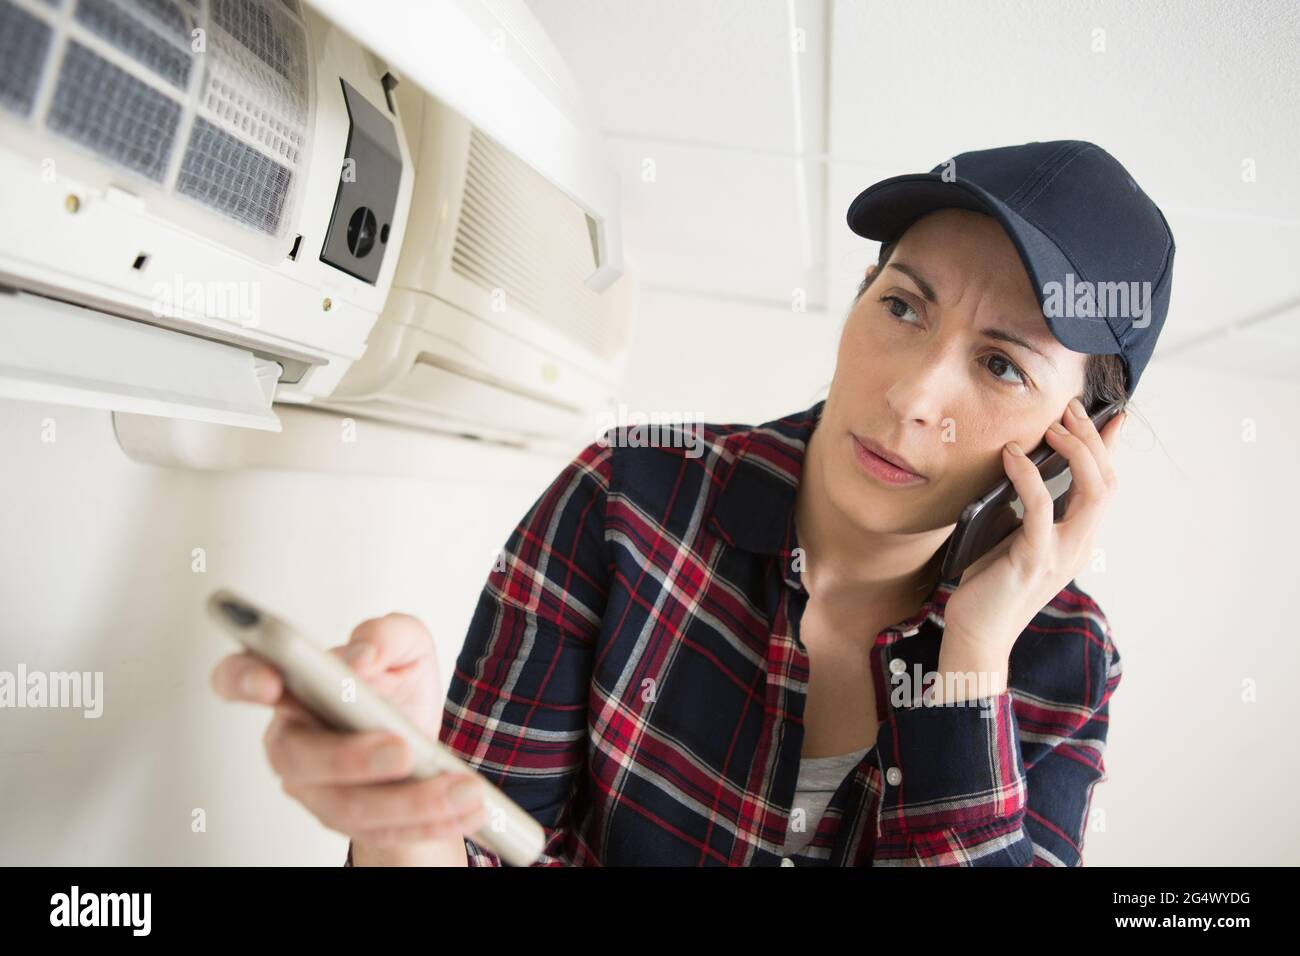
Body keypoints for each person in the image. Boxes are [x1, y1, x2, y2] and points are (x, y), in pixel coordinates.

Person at [212, 140, 1175, 866]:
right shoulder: (630, 497)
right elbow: (479, 850)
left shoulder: (1062, 662)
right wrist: (402, 827)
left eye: (1002, 364)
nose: (915, 396)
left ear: (1079, 444)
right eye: (903, 305)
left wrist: (972, 659)